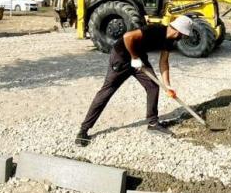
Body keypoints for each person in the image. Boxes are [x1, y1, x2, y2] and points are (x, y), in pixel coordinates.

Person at [75, 15, 194, 146]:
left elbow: (164, 63)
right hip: (121, 57)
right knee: (107, 91)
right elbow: (128, 37)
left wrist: (168, 85)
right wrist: (134, 57)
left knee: (153, 86)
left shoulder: (170, 41)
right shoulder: (155, 30)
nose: (183, 38)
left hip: (139, 58)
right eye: (183, 35)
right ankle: (84, 129)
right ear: (178, 31)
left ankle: (153, 123)